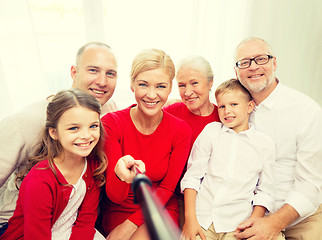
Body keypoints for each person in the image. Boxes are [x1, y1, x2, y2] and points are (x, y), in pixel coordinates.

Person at [0, 42, 118, 235]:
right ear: (74, 72)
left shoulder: (108, 108)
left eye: (110, 73)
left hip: (71, 219)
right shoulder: (22, 123)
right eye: (93, 70)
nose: (103, 82)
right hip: (21, 223)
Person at [233, 37, 322, 240]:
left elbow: (310, 185)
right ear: (236, 72)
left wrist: (273, 224)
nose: (253, 67)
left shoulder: (307, 111)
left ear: (274, 63)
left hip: (300, 216)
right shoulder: (232, 109)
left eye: (261, 59)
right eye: (244, 62)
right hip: (247, 216)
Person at [100, 48, 192, 240]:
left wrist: (128, 226)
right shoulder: (112, 123)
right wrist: (121, 174)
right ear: (132, 84)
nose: (151, 95)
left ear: (169, 88)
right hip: (119, 208)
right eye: (143, 84)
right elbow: (115, 196)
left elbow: (167, 188)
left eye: (160, 86)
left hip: (161, 206)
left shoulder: (180, 130)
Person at [180, 79, 284, 240]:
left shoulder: (265, 144)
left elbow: (266, 190)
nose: (227, 111)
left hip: (238, 224)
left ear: (249, 107)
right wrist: (190, 220)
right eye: (222, 106)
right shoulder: (211, 132)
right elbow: (192, 178)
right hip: (203, 219)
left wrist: (253, 222)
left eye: (233, 105)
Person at [0, 89, 107, 239]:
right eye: (74, 128)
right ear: (53, 132)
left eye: (93, 126)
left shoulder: (93, 165)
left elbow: (86, 221)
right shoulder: (40, 181)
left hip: (70, 232)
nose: (86, 135)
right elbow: (36, 236)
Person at [163, 56, 220, 227]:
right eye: (182, 85)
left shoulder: (224, 117)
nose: (187, 92)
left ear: (210, 82)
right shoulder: (171, 112)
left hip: (214, 200)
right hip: (178, 197)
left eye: (194, 83)